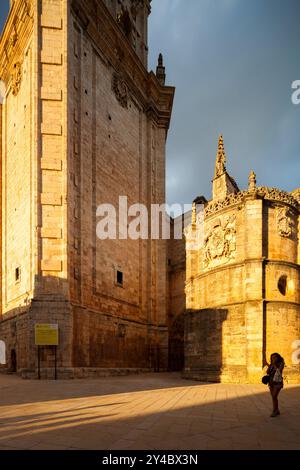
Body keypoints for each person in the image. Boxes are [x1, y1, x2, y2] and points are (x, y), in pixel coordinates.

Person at [266, 353, 285, 417]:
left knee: (274, 396)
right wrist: (269, 366)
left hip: (278, 382)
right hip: (271, 382)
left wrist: (274, 364)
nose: (273, 359)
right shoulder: (271, 364)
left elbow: (279, 371)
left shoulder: (281, 363)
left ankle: (275, 411)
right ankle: (276, 410)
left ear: (278, 357)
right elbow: (268, 372)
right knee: (274, 397)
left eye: (275, 357)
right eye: (272, 358)